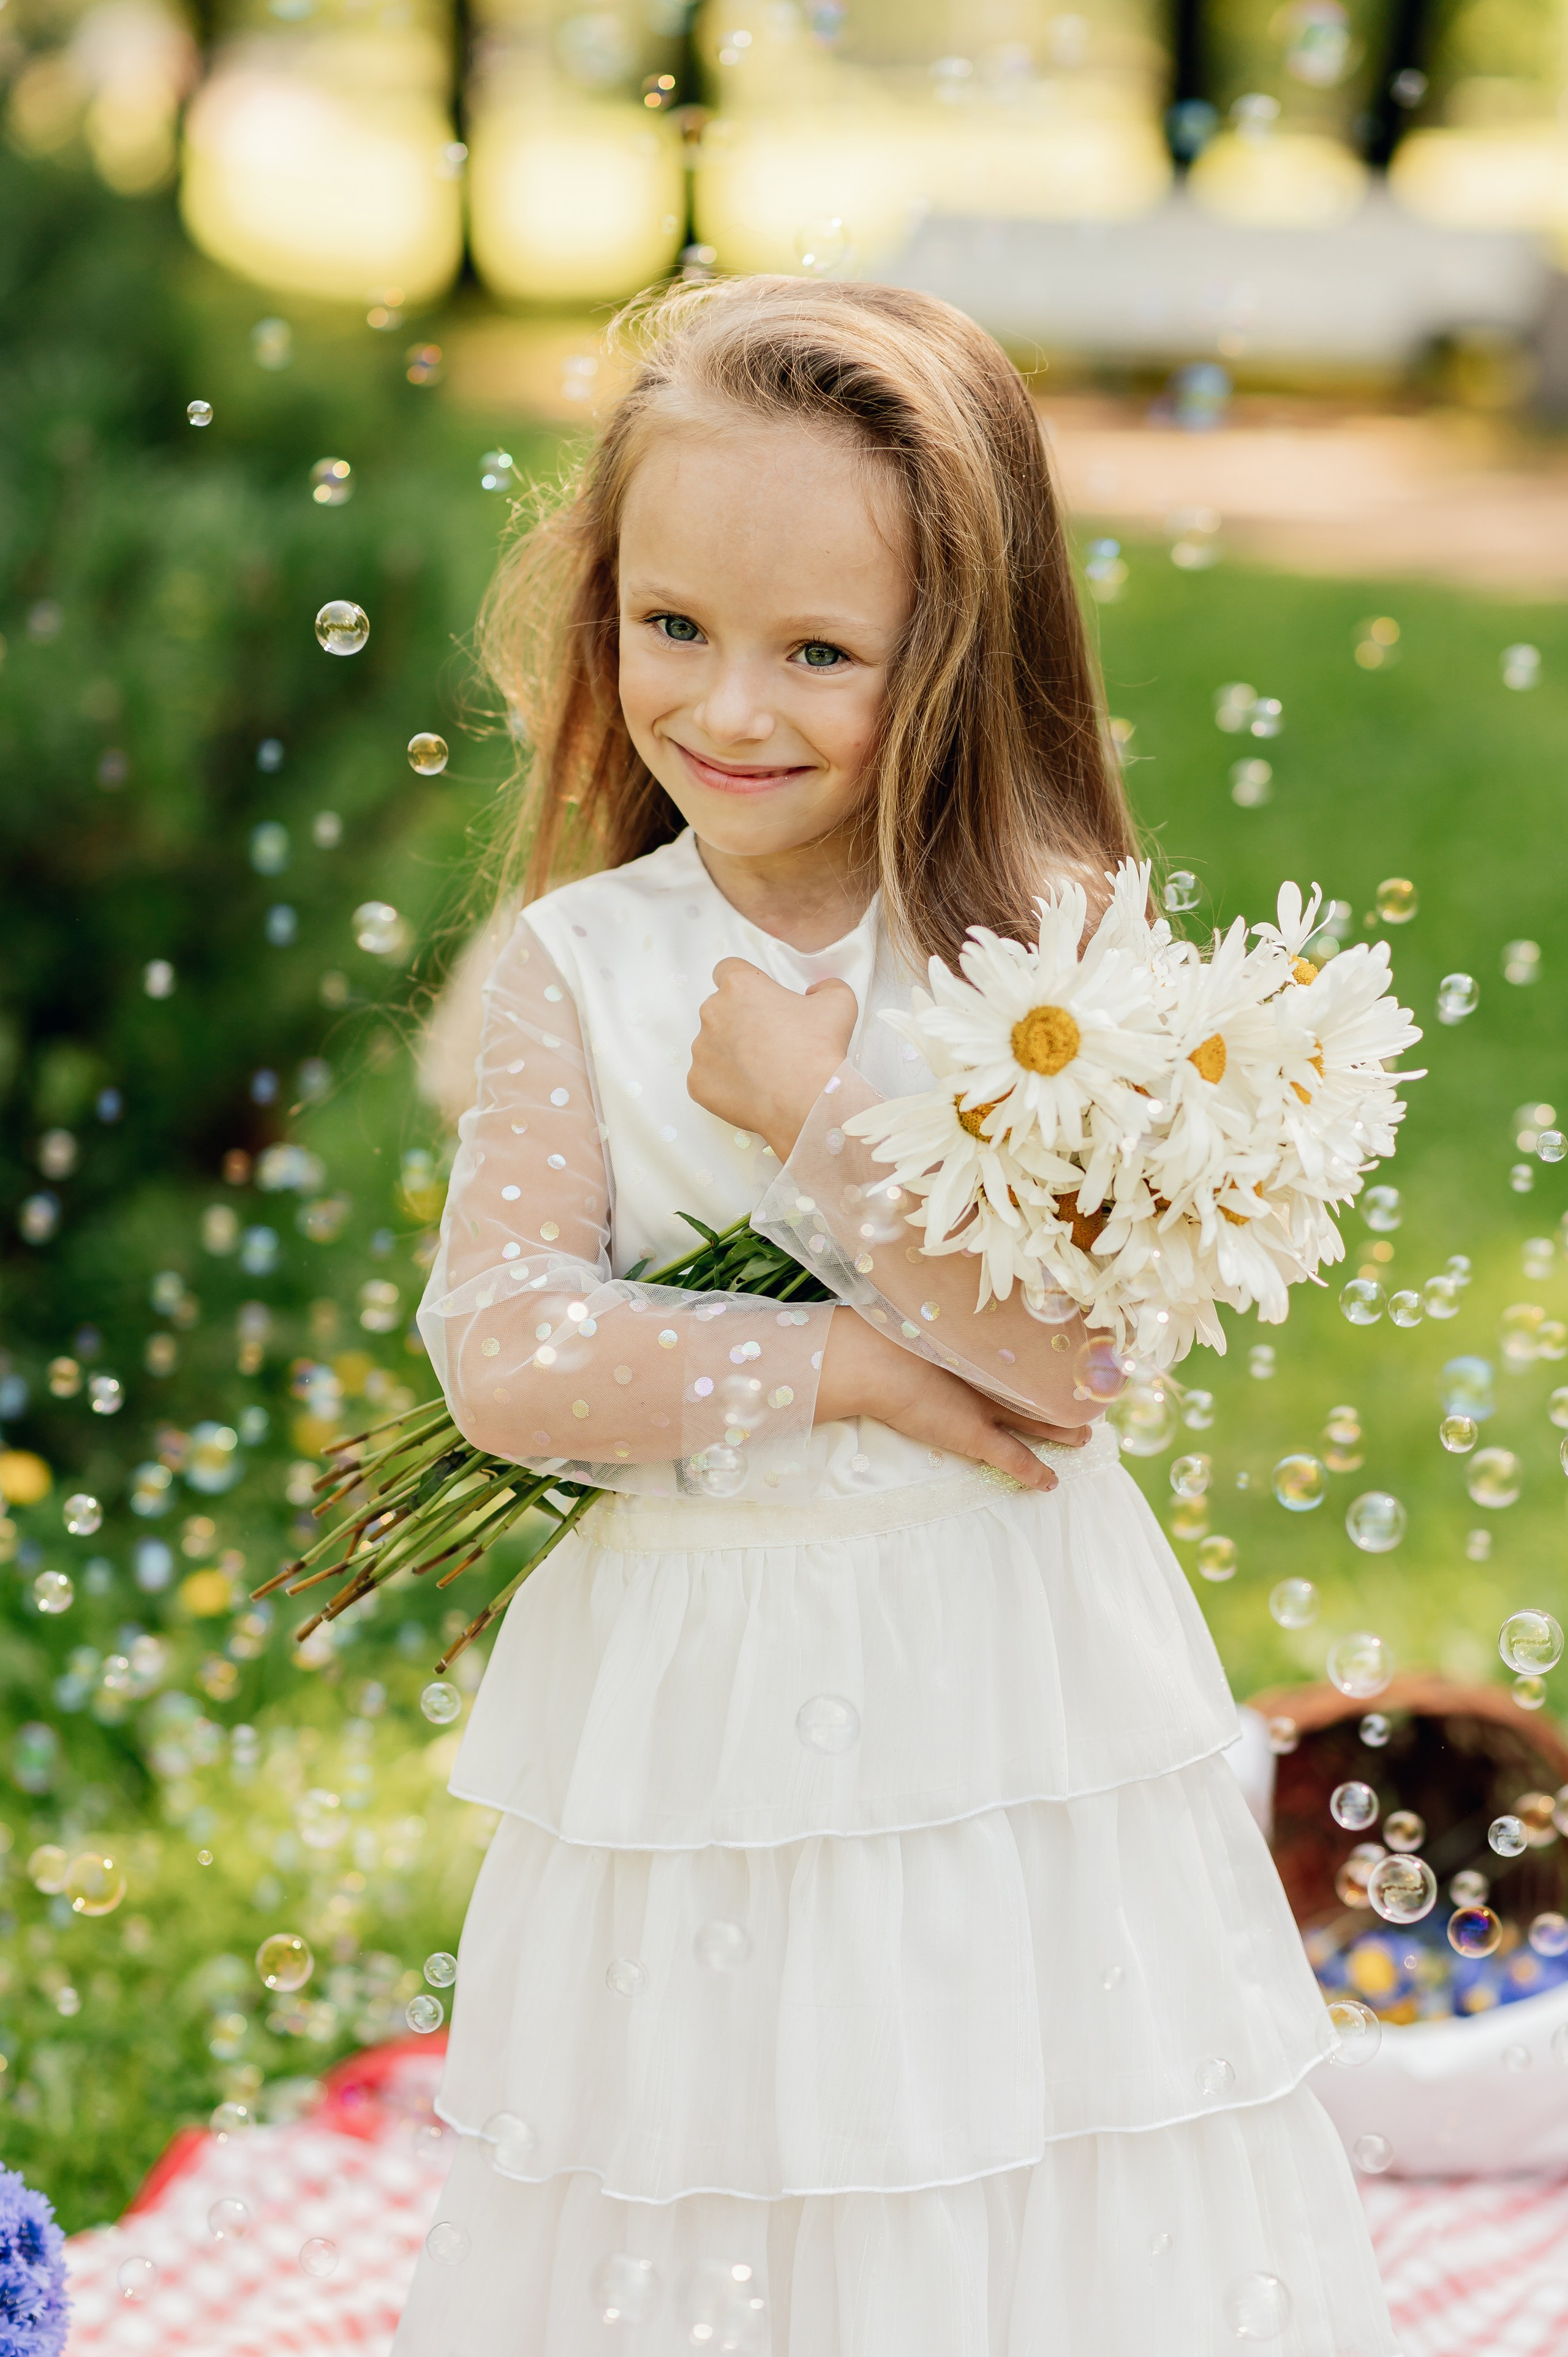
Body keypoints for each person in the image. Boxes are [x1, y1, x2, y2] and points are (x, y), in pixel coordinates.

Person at [392, 277, 1394, 2355]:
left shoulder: (1047, 955)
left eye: (818, 652)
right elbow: (503, 1351)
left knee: (996, 2103)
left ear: (954, 654)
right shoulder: (584, 967)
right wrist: (844, 1361)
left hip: (997, 1681)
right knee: (721, 2126)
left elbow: (1067, 1361)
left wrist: (820, 1119)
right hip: (702, 1683)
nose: (728, 708)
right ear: (599, 611)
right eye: (671, 626)